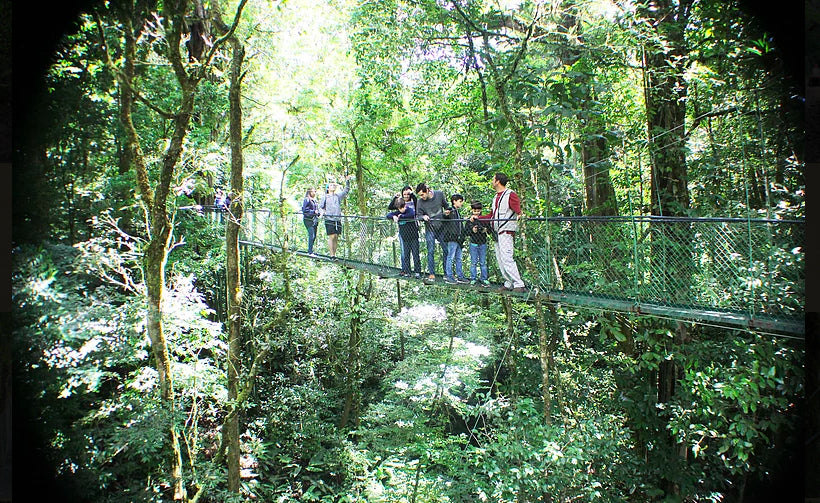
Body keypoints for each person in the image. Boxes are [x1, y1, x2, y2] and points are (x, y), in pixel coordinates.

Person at [471, 172, 525, 292]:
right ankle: (508, 282)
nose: (492, 181)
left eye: (493, 179)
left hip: (506, 231)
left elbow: (518, 211)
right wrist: (478, 218)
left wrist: (520, 215)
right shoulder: (496, 197)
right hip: (497, 232)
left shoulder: (510, 194)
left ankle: (518, 283)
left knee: (507, 257)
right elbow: (492, 215)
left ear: (498, 181)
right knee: (500, 259)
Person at [415, 183, 449, 282]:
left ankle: (446, 273)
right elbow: (418, 215)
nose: (421, 197)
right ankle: (431, 273)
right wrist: (423, 217)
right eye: (420, 195)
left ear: (428, 190)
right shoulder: (420, 202)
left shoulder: (439, 194)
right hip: (430, 228)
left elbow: (446, 206)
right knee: (430, 250)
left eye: (422, 194)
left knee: (446, 249)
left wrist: (447, 211)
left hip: (442, 227)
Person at [388, 186, 421, 276]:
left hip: (413, 233)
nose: (406, 196)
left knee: (415, 254)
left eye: (408, 194)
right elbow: (389, 211)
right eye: (404, 194)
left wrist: (401, 216)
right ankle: (406, 270)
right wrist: (394, 216)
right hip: (404, 235)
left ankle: (417, 271)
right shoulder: (399, 204)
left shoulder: (410, 207)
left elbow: (412, 213)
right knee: (405, 254)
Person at [318, 175, 352, 259]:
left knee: (336, 236)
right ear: (327, 188)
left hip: (337, 218)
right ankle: (331, 254)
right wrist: (322, 213)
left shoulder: (337, 196)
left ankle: (334, 254)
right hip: (329, 218)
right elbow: (321, 207)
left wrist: (347, 181)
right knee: (332, 236)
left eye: (334, 185)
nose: (333, 186)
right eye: (331, 185)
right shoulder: (325, 197)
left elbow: (346, 190)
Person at [442, 194, 469, 284]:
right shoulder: (451, 210)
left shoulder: (457, 212)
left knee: (459, 258)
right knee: (451, 257)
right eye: (460, 201)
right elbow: (445, 216)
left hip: (458, 239)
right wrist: (446, 214)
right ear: (454, 201)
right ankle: (449, 276)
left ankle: (460, 276)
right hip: (452, 238)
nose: (461, 203)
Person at [465, 200, 491, 286]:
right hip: (473, 243)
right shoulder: (470, 220)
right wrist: (472, 230)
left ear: (481, 210)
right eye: (474, 210)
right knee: (473, 262)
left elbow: (489, 230)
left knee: (483, 262)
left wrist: (485, 230)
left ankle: (484, 278)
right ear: (472, 210)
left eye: (478, 211)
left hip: (482, 243)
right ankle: (473, 278)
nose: (476, 212)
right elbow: (466, 232)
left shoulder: (483, 219)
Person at [301, 188, 320, 256]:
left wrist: (318, 213)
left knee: (314, 236)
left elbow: (316, 210)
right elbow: (305, 210)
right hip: (308, 220)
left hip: (314, 220)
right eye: (314, 191)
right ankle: (310, 252)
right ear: (309, 192)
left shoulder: (314, 201)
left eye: (315, 191)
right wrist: (313, 212)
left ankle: (311, 250)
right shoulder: (307, 200)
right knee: (311, 235)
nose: (315, 192)